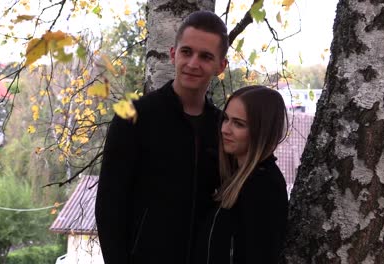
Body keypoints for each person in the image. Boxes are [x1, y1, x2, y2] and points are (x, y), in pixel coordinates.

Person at [95, 10, 228, 264]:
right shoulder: (134, 117)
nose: (193, 63)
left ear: (221, 66)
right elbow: (109, 207)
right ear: (172, 54)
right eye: (187, 52)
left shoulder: (222, 128)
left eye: (206, 56)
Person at [195, 86, 289, 264]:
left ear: (261, 131)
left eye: (239, 124)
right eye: (226, 119)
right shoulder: (237, 176)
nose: (225, 129)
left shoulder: (263, 186)